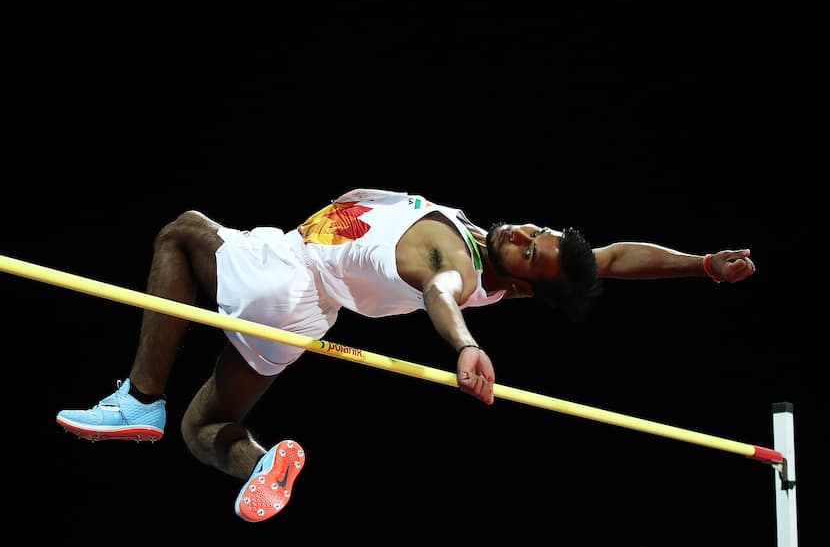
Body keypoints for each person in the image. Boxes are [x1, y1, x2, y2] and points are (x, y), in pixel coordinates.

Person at [56, 188, 756, 523]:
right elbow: (607, 259)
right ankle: (263, 461)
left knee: (181, 233)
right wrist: (701, 265)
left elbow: (442, 294)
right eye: (538, 231)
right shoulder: (491, 249)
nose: (525, 233)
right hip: (303, 311)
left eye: (530, 250)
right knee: (204, 429)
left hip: (291, 270)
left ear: (515, 287)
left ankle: (140, 394)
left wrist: (465, 347)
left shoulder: (457, 261)